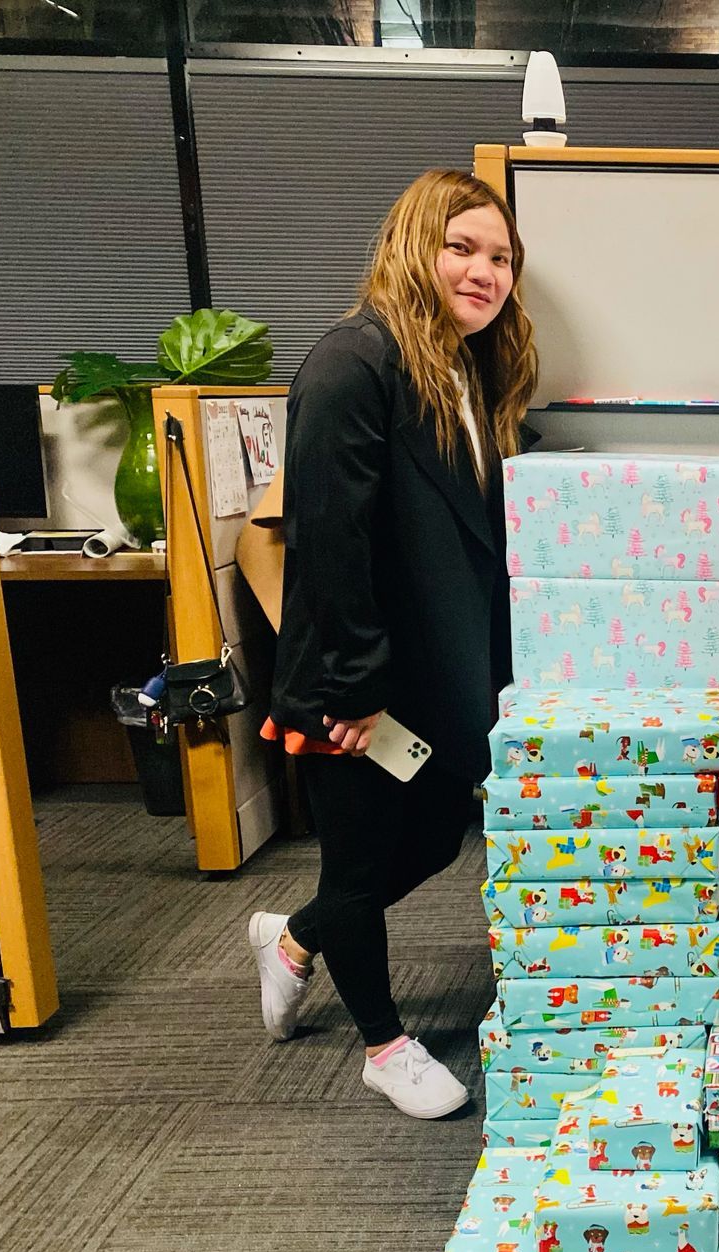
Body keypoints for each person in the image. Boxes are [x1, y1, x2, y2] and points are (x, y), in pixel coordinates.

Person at [247, 168, 537, 1118]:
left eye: (500, 257)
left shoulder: (461, 367)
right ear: (414, 245)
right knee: (362, 861)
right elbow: (330, 541)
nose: (483, 272)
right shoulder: (353, 361)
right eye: (463, 247)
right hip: (358, 672)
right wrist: (351, 689)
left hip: (438, 665)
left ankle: (293, 937)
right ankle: (383, 1044)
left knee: (427, 839)